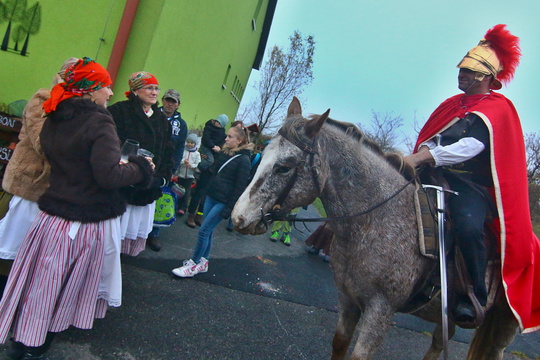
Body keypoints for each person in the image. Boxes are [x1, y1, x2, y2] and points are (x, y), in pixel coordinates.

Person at [0, 57, 154, 360]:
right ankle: (35, 347)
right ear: (90, 89)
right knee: (61, 288)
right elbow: (108, 176)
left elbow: (68, 159)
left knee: (35, 280)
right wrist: (140, 167)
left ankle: (20, 341)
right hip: (83, 220)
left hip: (51, 215)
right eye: (106, 87)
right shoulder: (98, 120)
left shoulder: (56, 115)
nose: (110, 93)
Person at [404, 24, 540, 331]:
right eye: (462, 69)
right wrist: (425, 149)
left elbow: (471, 147)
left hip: (470, 186)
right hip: (436, 174)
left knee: (467, 224)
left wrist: (426, 156)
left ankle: (473, 294)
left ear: (485, 76)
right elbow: (432, 136)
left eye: (468, 71)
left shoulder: (497, 108)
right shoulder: (452, 105)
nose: (461, 74)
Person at [0, 57, 78, 296]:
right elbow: (44, 143)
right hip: (27, 186)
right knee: (9, 249)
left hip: (54, 193)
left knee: (35, 255)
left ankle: (17, 300)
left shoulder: (83, 110)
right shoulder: (44, 98)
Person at [172, 126, 254, 277]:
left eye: (230, 137)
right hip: (212, 196)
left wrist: (228, 209)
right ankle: (204, 262)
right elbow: (214, 172)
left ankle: (193, 263)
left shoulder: (244, 160)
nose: (226, 139)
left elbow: (239, 188)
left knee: (203, 231)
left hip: (223, 201)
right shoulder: (225, 153)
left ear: (240, 140)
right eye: (227, 136)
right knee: (207, 231)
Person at [108, 72, 174, 253]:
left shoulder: (162, 120)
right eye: (149, 88)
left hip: (147, 186)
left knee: (128, 234)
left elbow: (168, 152)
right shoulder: (119, 111)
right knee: (110, 235)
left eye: (156, 88)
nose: (154, 93)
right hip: (122, 183)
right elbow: (110, 144)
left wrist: (161, 178)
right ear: (135, 91)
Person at [144, 89, 188, 246]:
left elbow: (179, 148)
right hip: (148, 162)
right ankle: (138, 231)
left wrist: (173, 168)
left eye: (173, 101)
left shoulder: (181, 125)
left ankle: (154, 234)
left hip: (165, 168)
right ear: (162, 100)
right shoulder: (152, 114)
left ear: (178, 105)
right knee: (142, 197)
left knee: (161, 201)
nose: (170, 104)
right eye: (168, 100)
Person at [186, 114, 228, 228]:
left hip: (214, 170)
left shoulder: (224, 137)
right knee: (199, 192)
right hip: (206, 168)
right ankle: (191, 214)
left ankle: (199, 215)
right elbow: (205, 143)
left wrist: (219, 150)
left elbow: (222, 152)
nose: (217, 124)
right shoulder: (209, 130)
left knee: (205, 195)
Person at [174, 133, 201, 216]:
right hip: (181, 175)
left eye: (192, 143)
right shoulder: (183, 151)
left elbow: (198, 164)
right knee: (178, 190)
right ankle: (176, 205)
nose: (189, 144)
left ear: (195, 144)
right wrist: (183, 162)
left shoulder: (197, 154)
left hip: (189, 176)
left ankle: (183, 207)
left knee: (186, 192)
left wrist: (191, 166)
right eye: (188, 142)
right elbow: (179, 160)